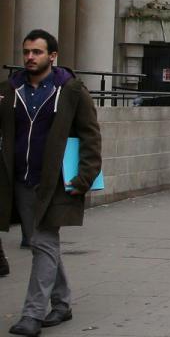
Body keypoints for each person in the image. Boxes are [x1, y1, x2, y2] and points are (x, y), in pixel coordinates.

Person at [0, 30, 102, 336]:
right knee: (42, 244)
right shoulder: (10, 89)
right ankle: (62, 303)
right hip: (19, 180)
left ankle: (32, 314)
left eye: (37, 52)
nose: (30, 57)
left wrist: (85, 176)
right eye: (27, 52)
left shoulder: (70, 91)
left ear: (52, 56)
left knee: (42, 242)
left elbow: (90, 136)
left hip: (56, 182)